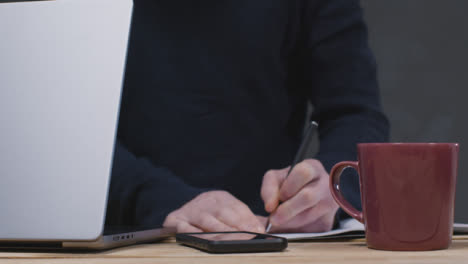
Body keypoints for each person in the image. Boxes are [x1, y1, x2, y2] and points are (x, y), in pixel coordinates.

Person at [105, 0, 390, 234]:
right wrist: (159, 199)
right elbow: (67, 131)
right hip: (119, 231)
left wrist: (329, 186)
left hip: (270, 233)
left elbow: (356, 113)